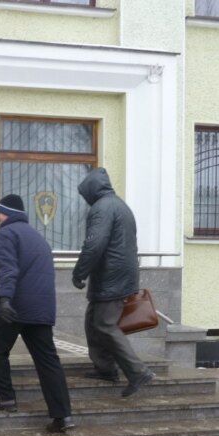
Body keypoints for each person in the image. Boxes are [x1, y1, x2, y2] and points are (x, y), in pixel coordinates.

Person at [0, 193, 75, 434]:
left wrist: (3, 299)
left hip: (15, 305)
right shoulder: (38, 237)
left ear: (8, 214)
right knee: (48, 361)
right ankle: (63, 415)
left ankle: (4, 397)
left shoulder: (6, 234)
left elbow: (7, 269)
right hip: (41, 308)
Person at [72, 167, 155, 397]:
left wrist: (79, 272)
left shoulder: (102, 208)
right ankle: (105, 368)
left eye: (85, 194)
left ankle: (138, 372)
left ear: (92, 190)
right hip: (118, 274)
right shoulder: (119, 205)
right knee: (93, 322)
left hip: (111, 276)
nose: (85, 199)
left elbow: (94, 244)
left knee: (105, 325)